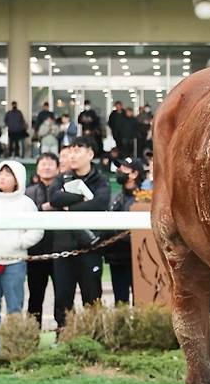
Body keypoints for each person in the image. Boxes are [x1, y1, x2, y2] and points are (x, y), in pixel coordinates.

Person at [48, 138, 110, 329]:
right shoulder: (62, 178)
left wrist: (70, 206)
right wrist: (81, 197)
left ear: (90, 154)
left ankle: (94, 335)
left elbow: (100, 203)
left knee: (92, 297)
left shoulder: (101, 180)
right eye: (70, 151)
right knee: (62, 297)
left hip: (90, 249)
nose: (72, 155)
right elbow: (55, 198)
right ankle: (63, 335)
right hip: (63, 248)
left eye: (78, 150)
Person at [0, 161, 43, 356]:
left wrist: (19, 242)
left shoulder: (26, 203)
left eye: (8, 174)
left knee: (14, 306)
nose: (3, 178)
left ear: (17, 178)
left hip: (14, 262)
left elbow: (36, 230)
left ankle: (14, 346)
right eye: (0, 174)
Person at [25, 152, 60, 328]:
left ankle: (62, 333)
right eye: (43, 164)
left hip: (60, 251)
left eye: (50, 164)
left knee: (62, 296)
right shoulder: (28, 193)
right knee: (35, 296)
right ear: (37, 169)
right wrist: (43, 208)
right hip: (36, 254)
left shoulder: (64, 190)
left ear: (58, 168)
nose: (46, 167)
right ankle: (31, 335)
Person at [104, 157, 145, 303]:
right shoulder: (115, 197)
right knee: (120, 301)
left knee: (141, 299)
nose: (119, 171)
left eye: (123, 168)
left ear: (134, 174)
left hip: (139, 257)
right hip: (116, 257)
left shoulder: (145, 198)